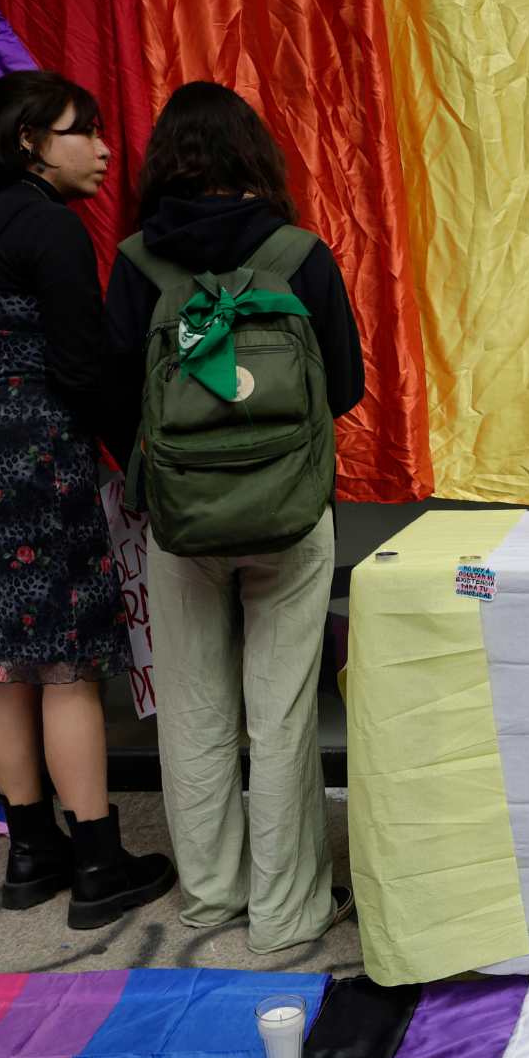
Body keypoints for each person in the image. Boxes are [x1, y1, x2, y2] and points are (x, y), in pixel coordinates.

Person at [104, 82, 363, 954]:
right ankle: (288, 910)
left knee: (192, 708)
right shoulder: (301, 254)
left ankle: (211, 894)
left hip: (178, 522)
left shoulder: (138, 262)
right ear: (256, 156)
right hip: (290, 515)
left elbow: (112, 394)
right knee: (282, 711)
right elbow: (350, 387)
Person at [0, 70, 174, 929]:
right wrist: (138, 459)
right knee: (70, 667)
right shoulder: (52, 228)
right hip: (43, 455)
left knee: (5, 663)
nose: (106, 148)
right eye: (87, 130)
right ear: (34, 140)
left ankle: (29, 851)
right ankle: (99, 860)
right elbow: (84, 367)